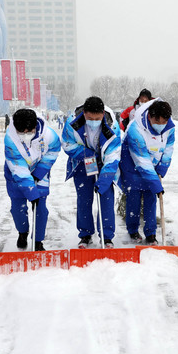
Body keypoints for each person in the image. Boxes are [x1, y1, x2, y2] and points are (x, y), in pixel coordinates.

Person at [61, 96, 121, 248]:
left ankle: (106, 236)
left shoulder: (112, 127)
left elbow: (113, 155)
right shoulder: (72, 123)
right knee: (84, 198)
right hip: (84, 162)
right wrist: (86, 153)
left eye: (97, 118)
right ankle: (85, 234)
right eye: (90, 118)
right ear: (84, 114)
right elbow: (67, 144)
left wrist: (104, 179)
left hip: (104, 163)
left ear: (103, 114)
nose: (94, 121)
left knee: (105, 197)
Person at [119, 98, 175, 245]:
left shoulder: (169, 128)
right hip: (132, 167)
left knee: (151, 200)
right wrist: (155, 183)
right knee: (134, 200)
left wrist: (162, 168)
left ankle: (151, 234)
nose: (161, 126)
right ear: (150, 116)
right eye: (157, 122)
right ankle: (133, 230)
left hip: (153, 167)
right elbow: (141, 160)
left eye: (164, 122)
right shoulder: (135, 129)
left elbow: (168, 149)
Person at [4, 108, 61, 251]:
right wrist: (31, 191)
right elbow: (18, 168)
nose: (25, 134)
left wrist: (39, 172)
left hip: (40, 173)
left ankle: (38, 241)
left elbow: (53, 151)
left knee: (41, 209)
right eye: (21, 131)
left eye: (28, 131)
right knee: (18, 209)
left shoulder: (48, 135)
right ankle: (22, 232)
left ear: (35, 126)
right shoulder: (10, 139)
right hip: (16, 175)